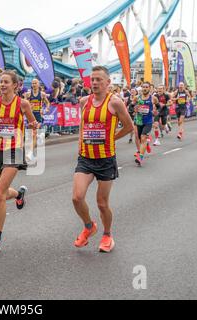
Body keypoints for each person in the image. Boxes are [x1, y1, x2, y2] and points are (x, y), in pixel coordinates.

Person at [72, 66, 133, 253]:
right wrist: (81, 140)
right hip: (86, 157)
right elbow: (83, 125)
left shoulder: (115, 103)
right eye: (93, 79)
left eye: (99, 79)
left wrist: (111, 138)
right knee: (77, 197)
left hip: (105, 159)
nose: (95, 82)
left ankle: (107, 235)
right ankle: (89, 226)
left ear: (108, 83)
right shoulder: (83, 101)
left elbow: (129, 126)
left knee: (102, 203)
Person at [0, 70, 39, 253]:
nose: (2, 85)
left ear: (15, 85)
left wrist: (32, 135)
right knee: (2, 193)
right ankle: (18, 195)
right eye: (1, 82)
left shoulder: (23, 104)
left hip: (14, 150)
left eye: (6, 82)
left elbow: (33, 124)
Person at [24, 78, 50, 161]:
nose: (34, 85)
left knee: (34, 133)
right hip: (30, 116)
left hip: (38, 116)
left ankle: (30, 153)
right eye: (32, 83)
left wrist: (45, 109)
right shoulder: (28, 94)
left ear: (38, 84)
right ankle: (31, 151)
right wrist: (28, 107)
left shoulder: (42, 94)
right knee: (32, 135)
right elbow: (24, 104)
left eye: (35, 83)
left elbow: (47, 103)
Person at [134, 82, 158, 166]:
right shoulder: (137, 98)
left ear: (149, 88)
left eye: (146, 87)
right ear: (141, 88)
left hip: (148, 121)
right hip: (139, 121)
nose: (145, 88)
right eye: (143, 87)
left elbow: (158, 107)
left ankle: (140, 158)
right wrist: (135, 109)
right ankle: (147, 144)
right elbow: (132, 106)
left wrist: (155, 112)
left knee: (143, 138)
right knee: (140, 139)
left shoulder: (153, 98)